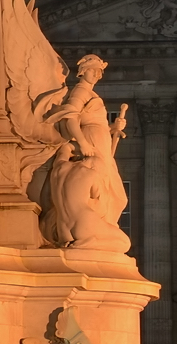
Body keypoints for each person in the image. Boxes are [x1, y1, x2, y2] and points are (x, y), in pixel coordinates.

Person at [42, 55, 129, 251]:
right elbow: (71, 118)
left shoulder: (90, 93)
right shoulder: (80, 91)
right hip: (92, 143)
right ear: (83, 71)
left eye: (100, 71)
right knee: (114, 195)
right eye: (93, 70)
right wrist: (82, 142)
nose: (97, 74)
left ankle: (97, 226)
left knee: (117, 196)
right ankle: (96, 227)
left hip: (99, 142)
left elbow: (94, 122)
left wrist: (113, 128)